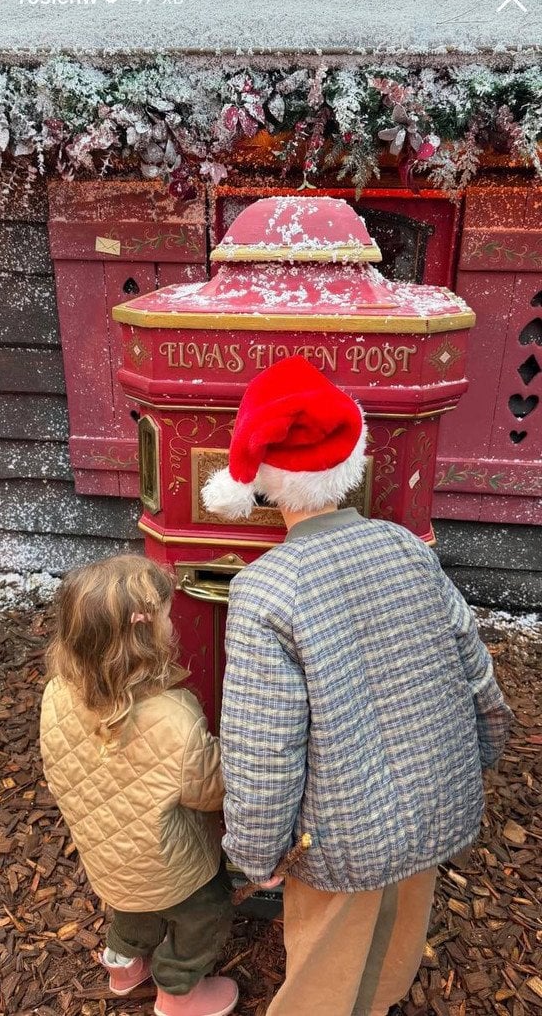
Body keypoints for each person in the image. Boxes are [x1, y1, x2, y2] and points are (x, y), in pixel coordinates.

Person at [202, 356, 513, 1016]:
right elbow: (472, 662)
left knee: (326, 964)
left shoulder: (265, 592)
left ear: (262, 482)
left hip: (338, 832)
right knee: (399, 925)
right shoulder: (405, 547)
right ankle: (384, 1000)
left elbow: (264, 753)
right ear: (351, 466)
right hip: (435, 795)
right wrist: (485, 747)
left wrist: (257, 854)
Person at [40, 554, 238, 1016]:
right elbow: (213, 792)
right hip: (174, 867)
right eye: (168, 616)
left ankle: (124, 964)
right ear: (144, 631)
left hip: (105, 854)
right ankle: (179, 990)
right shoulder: (174, 718)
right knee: (205, 912)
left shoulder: (56, 692)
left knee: (132, 905)